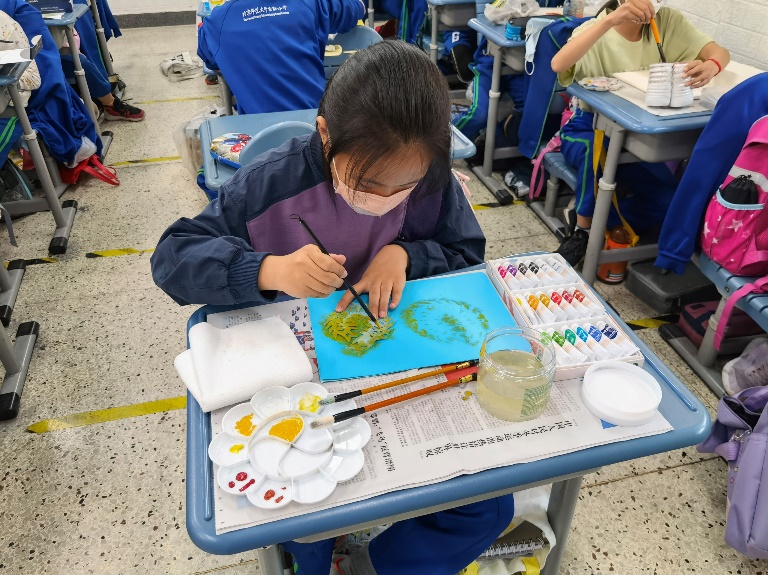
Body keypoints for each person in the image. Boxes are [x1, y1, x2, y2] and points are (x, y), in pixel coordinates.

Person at [151, 40, 514, 575]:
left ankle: (380, 566)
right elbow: (172, 258)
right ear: (324, 135)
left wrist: (405, 254)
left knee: (488, 506)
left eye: (405, 186)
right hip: (299, 381)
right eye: (367, 183)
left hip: (400, 366)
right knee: (306, 516)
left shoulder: (431, 175)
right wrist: (268, 271)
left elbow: (466, 252)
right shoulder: (269, 184)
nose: (385, 198)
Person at [550, 0, 731, 265]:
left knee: (667, 200)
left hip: (635, 137)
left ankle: (599, 219)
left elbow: (719, 52)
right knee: (595, 154)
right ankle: (583, 231)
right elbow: (558, 64)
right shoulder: (597, 28)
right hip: (589, 127)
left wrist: (712, 64)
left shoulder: (667, 21)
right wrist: (610, 21)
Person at [197, 0, 365, 115]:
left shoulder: (217, 22)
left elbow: (210, 62)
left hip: (258, 137)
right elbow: (356, 8)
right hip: (315, 127)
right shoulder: (311, 4)